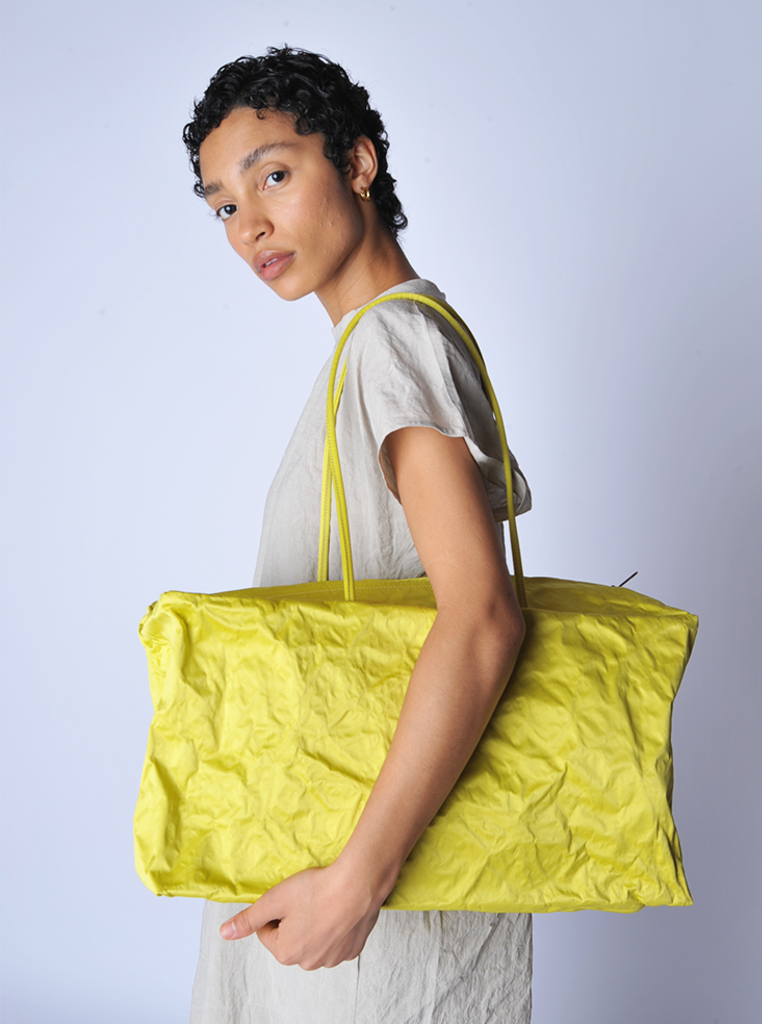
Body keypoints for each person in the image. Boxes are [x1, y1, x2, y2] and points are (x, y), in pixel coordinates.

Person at [182, 46, 533, 1023]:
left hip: (364, 890)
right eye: (222, 205)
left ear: (359, 164)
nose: (248, 225)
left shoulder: (391, 342)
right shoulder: (374, 346)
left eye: (273, 176)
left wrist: (356, 882)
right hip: (333, 857)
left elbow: (482, 618)